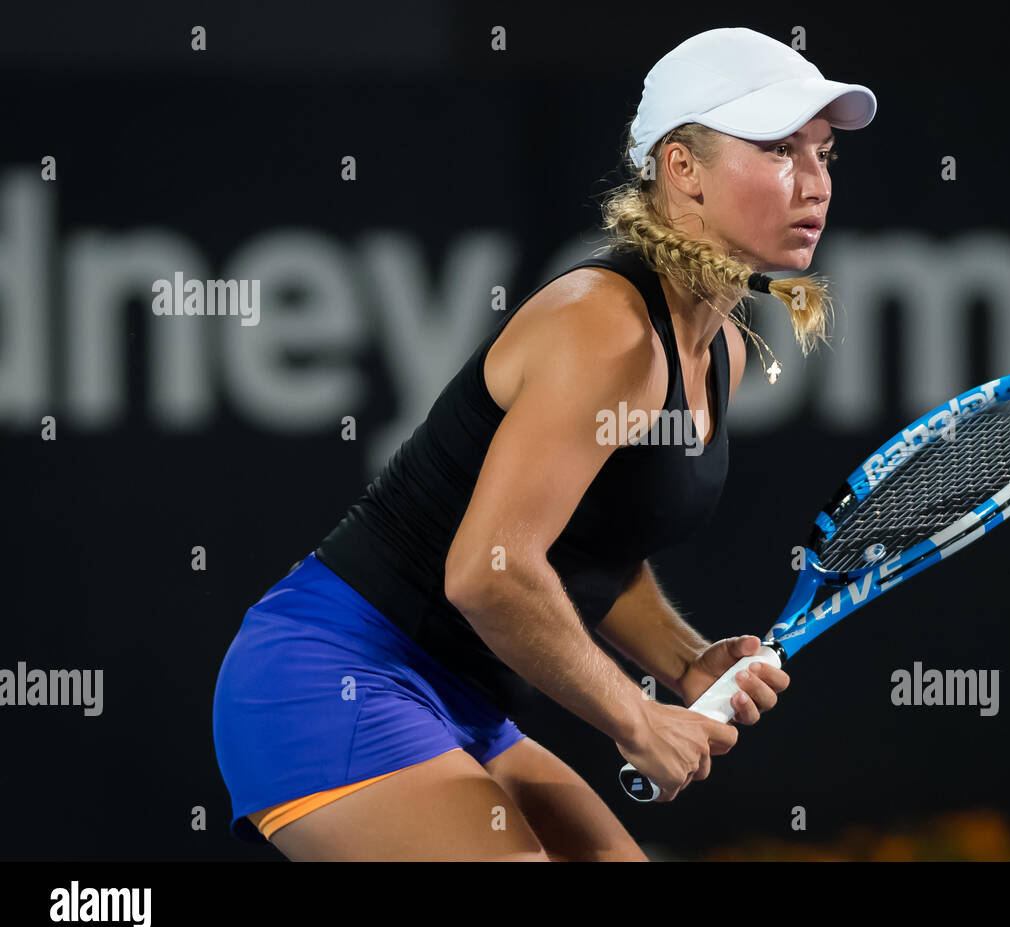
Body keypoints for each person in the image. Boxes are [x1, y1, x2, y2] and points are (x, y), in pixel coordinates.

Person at [212, 26, 876, 861]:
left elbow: (587, 541)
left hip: (461, 702)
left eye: (822, 154)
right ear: (683, 170)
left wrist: (685, 661)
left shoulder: (720, 350)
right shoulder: (604, 328)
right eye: (779, 149)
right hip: (328, 678)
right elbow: (489, 573)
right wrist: (635, 718)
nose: (814, 182)